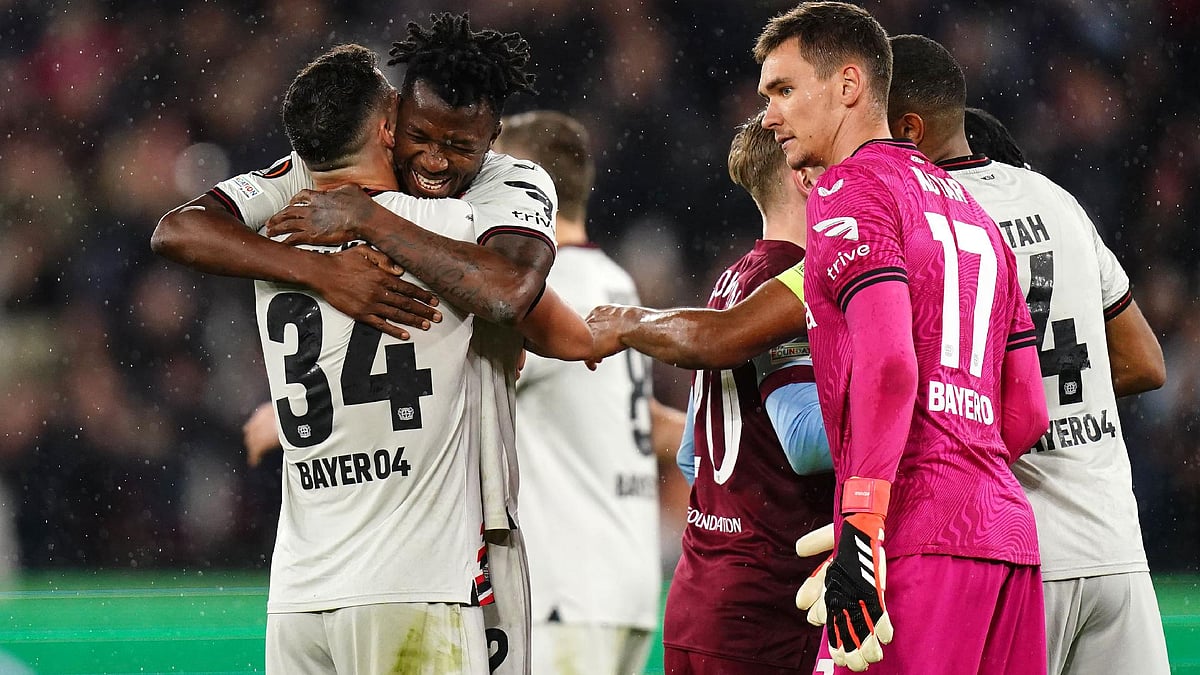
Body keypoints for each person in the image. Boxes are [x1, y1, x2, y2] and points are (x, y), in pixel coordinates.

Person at [589, 3, 1051, 673]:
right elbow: (1026, 411)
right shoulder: (973, 213)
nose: (769, 114)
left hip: (907, 536)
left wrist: (863, 524)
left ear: (848, 86)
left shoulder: (848, 189)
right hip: (1006, 539)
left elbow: (890, 365)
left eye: (783, 90)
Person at [152, 19, 586, 673]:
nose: (437, 160)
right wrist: (325, 270)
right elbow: (520, 302)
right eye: (422, 135)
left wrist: (361, 221)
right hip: (424, 570)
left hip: (312, 583)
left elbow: (507, 295)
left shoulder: (493, 186)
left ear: (492, 140)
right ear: (392, 119)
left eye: (459, 146)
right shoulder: (454, 222)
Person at [886, 33, 1169, 675]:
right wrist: (1055, 394)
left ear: (905, 129)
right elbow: (1145, 361)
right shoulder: (1058, 202)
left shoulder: (921, 221)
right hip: (1113, 547)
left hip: (1006, 552)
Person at [491, 109, 685, 675]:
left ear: (523, 187)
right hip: (625, 581)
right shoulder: (615, 280)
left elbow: (452, 392)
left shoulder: (548, 291)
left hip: (566, 586)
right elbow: (635, 417)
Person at [658, 112, 835, 675]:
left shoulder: (732, 279)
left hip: (700, 593)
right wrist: (928, 408)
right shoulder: (792, 285)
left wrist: (731, 524)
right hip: (764, 611)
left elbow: (692, 456)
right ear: (806, 177)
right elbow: (806, 441)